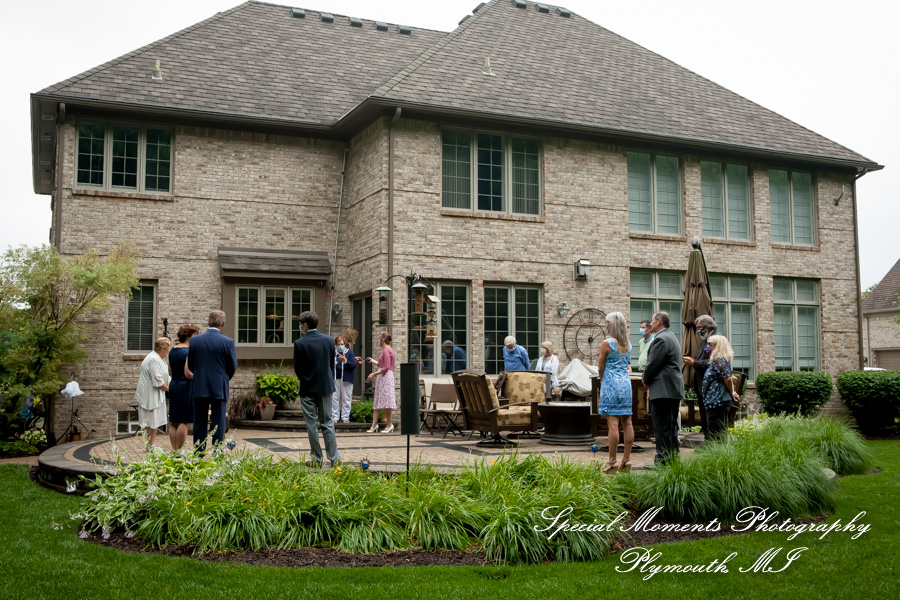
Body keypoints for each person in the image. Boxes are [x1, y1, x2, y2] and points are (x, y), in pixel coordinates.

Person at [293, 311, 340, 468]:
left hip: (307, 388)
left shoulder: (300, 343)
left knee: (311, 424)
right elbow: (330, 365)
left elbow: (297, 368)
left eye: (300, 324)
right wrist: (328, 381)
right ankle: (334, 458)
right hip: (325, 386)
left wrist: (305, 380)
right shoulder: (328, 341)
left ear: (305, 325)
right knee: (327, 422)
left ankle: (316, 459)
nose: (299, 327)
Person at [188, 310, 238, 452]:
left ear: (208, 322)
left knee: (199, 422)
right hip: (219, 386)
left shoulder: (195, 341)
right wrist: (223, 377)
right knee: (218, 422)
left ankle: (199, 454)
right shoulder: (227, 342)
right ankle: (218, 452)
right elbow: (232, 365)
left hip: (200, 385)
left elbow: (191, 364)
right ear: (223, 324)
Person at [641, 310, 685, 465]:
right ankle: (672, 460)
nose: (650, 323)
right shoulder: (671, 336)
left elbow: (653, 365)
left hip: (663, 391)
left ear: (659, 321)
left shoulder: (660, 339)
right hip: (671, 390)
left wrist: (645, 378)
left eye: (652, 321)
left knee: (662, 428)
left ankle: (663, 461)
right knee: (671, 428)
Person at [597, 313, 634, 474]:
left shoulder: (607, 343)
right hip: (626, 384)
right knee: (627, 422)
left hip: (611, 384)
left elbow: (600, 367)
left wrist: (602, 379)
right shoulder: (629, 345)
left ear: (612, 325)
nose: (605, 325)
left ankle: (612, 462)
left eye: (607, 322)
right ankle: (626, 460)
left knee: (612, 423)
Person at [699, 335, 741, 441]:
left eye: (710, 344)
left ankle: (717, 455)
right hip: (714, 402)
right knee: (715, 432)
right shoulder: (717, 361)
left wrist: (732, 393)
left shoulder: (720, 361)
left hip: (718, 402)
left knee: (715, 434)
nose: (707, 347)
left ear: (718, 346)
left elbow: (728, 379)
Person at [682, 314, 718, 436]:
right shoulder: (705, 340)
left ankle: (709, 436)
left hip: (710, 384)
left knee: (709, 413)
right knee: (703, 411)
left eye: (700, 327)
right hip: (701, 382)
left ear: (708, 326)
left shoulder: (716, 339)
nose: (698, 330)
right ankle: (706, 432)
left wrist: (694, 363)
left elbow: (714, 362)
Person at [135, 337, 171, 450]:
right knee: (152, 420)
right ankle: (150, 445)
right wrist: (173, 390)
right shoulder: (154, 359)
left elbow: (166, 376)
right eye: (168, 348)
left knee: (154, 420)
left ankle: (151, 444)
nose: (169, 351)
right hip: (150, 395)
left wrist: (173, 384)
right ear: (163, 348)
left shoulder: (159, 358)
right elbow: (158, 381)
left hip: (155, 394)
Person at [168, 323, 199, 451]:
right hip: (185, 387)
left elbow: (170, 371)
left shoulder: (173, 350)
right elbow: (188, 373)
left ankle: (174, 449)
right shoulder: (188, 351)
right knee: (184, 421)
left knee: (174, 420)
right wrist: (198, 376)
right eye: (195, 335)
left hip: (174, 385)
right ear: (189, 336)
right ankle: (179, 451)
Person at [363, 331, 396, 433]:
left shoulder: (386, 351)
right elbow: (384, 365)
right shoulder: (389, 350)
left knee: (386, 401)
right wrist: (372, 360)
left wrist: (374, 374)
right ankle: (374, 425)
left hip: (385, 377)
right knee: (379, 401)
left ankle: (389, 425)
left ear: (382, 340)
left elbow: (386, 367)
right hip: (385, 376)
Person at [331, 334, 356, 424]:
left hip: (346, 379)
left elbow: (353, 365)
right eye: (338, 344)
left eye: (342, 344)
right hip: (335, 379)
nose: (340, 346)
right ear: (336, 345)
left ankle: (345, 417)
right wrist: (332, 363)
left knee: (346, 398)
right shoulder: (333, 353)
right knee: (335, 398)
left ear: (345, 344)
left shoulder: (349, 353)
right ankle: (335, 417)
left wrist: (345, 361)